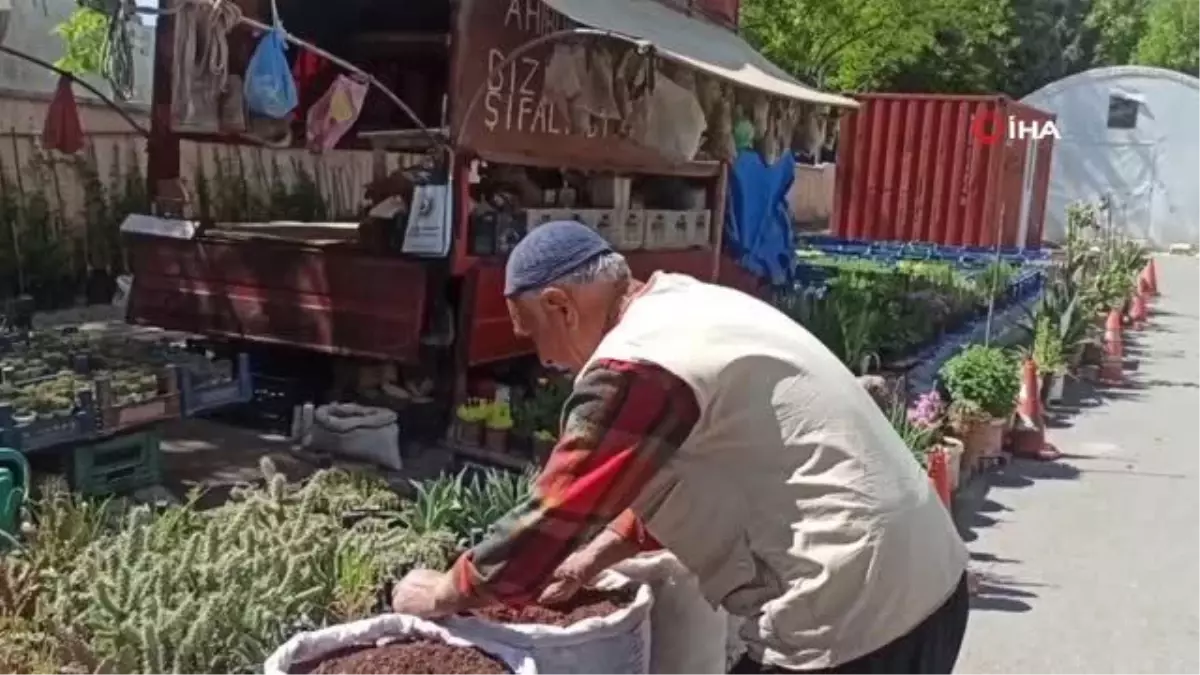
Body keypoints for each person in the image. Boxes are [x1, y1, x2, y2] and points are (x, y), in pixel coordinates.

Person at [390, 220, 970, 674]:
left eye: (535, 335)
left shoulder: (637, 361)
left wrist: (446, 591)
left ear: (560, 306)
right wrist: (598, 556)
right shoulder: (692, 308)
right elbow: (709, 473)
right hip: (931, 585)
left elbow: (558, 508)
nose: (543, 361)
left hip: (855, 618)